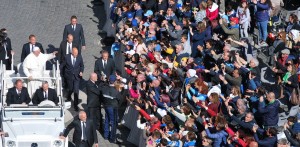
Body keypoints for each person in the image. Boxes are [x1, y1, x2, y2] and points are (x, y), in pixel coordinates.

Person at [61, 47, 84, 111]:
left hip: (77, 77)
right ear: (72, 52)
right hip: (69, 76)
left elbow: (82, 66)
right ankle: (68, 96)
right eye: (75, 53)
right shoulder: (67, 57)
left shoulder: (79, 57)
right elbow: (62, 65)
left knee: (76, 91)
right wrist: (60, 72)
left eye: (77, 53)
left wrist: (81, 71)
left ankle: (75, 105)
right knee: (71, 89)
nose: (76, 54)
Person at [100, 75, 122, 143]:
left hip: (106, 106)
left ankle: (106, 135)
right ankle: (112, 138)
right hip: (113, 108)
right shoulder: (116, 91)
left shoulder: (104, 88)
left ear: (109, 80)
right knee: (113, 123)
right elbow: (120, 99)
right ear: (115, 81)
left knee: (107, 120)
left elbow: (101, 96)